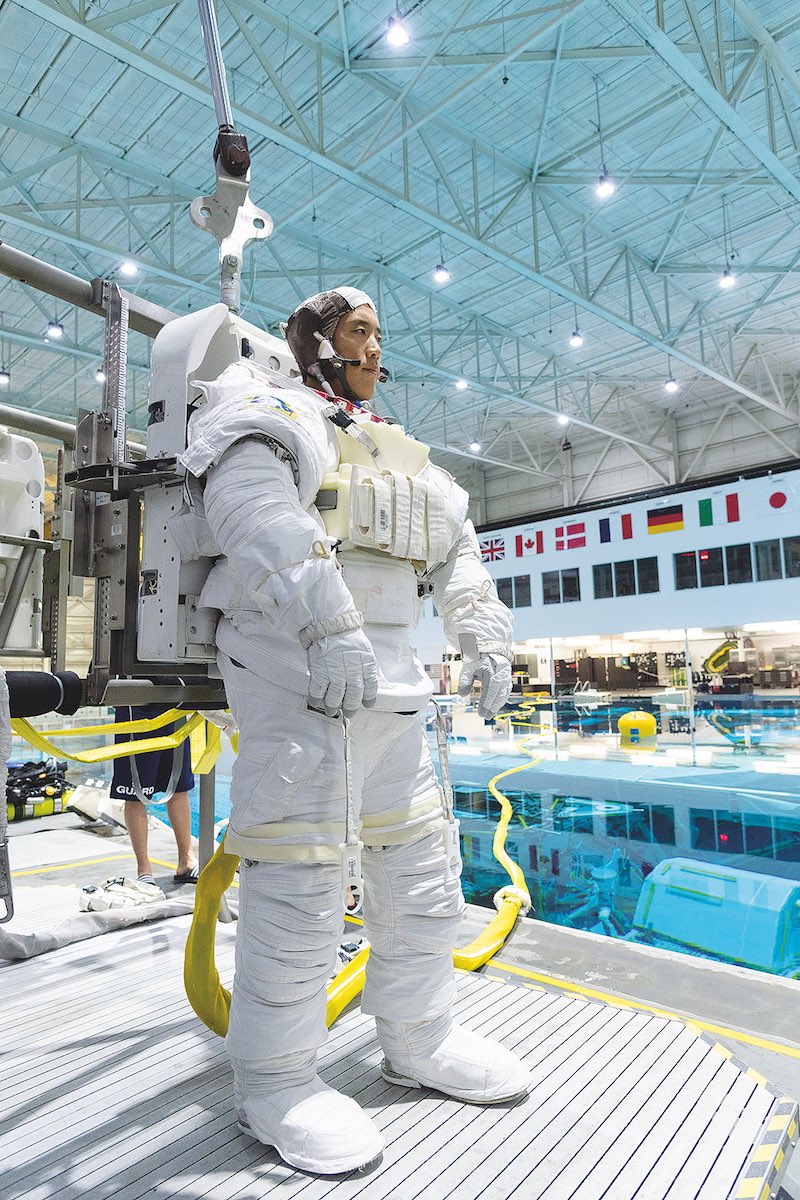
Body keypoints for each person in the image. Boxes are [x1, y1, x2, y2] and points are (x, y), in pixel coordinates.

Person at [179, 286, 530, 1175]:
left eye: (378, 333)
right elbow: (255, 513)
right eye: (361, 331)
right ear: (315, 340)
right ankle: (277, 1080)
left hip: (395, 683)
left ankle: (420, 1036)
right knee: (301, 881)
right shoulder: (263, 412)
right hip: (293, 665)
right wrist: (326, 624)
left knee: (417, 869)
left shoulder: (402, 456)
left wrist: (483, 637)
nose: (377, 349)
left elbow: (458, 553)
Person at [110, 704, 198, 885]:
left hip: (175, 706)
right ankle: (144, 869)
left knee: (179, 787)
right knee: (135, 794)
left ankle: (186, 861)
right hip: (136, 707)